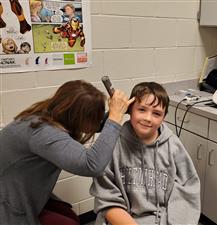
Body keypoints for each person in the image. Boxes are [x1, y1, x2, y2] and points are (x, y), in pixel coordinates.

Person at [0, 80, 135, 225]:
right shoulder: (43, 132)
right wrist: (115, 118)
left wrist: (117, 111)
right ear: (76, 116)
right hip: (8, 204)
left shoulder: (49, 115)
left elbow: (92, 124)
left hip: (22, 194)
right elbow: (92, 165)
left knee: (68, 215)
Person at [90, 82, 201, 225]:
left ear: (164, 117)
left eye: (156, 113)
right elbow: (106, 199)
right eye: (142, 109)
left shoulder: (173, 146)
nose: (148, 118)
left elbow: (187, 193)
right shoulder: (112, 144)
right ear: (129, 110)